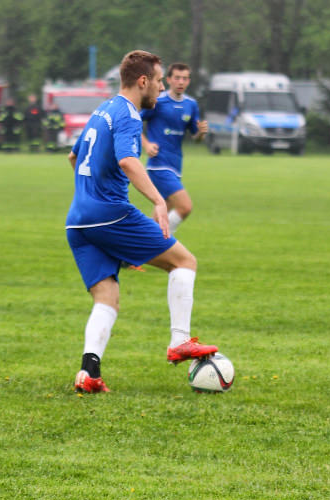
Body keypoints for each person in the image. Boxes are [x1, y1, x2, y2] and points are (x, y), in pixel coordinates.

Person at [66, 50, 218, 393]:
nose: (162, 88)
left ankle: (89, 373)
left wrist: (90, 193)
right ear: (143, 81)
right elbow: (128, 161)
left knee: (107, 297)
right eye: (160, 80)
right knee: (184, 262)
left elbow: (74, 156)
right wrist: (159, 200)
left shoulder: (101, 110)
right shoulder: (130, 115)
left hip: (77, 221)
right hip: (110, 215)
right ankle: (180, 341)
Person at [140, 62, 208, 234]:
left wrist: (200, 133)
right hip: (159, 165)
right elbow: (134, 122)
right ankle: (162, 243)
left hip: (176, 164)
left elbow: (196, 138)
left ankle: (135, 254)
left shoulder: (191, 105)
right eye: (177, 78)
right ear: (168, 79)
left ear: (189, 81)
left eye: (185, 78)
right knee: (184, 207)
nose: (181, 82)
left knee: (161, 213)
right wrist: (146, 144)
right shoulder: (158, 101)